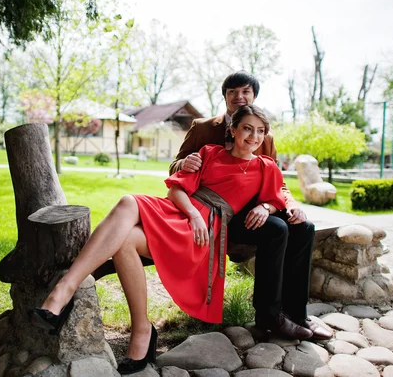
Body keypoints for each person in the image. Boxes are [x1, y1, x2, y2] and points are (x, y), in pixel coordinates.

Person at [31, 105, 288, 375]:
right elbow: (177, 190)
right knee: (128, 203)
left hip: (203, 233)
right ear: (233, 130)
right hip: (182, 212)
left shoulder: (265, 167)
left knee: (126, 238)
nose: (254, 136)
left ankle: (87, 303)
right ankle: (79, 295)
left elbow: (277, 197)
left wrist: (266, 208)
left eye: (260, 131)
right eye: (247, 128)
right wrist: (193, 214)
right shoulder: (209, 153)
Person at [170, 71, 332, 341]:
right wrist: (185, 164)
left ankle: (297, 313)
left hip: (256, 205)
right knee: (277, 229)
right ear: (225, 97)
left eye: (245, 92)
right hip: (216, 209)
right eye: (232, 92)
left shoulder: (264, 136)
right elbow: (176, 167)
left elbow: (276, 180)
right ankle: (270, 315)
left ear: (253, 97)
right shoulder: (203, 127)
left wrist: (285, 205)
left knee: (303, 226)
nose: (239, 96)